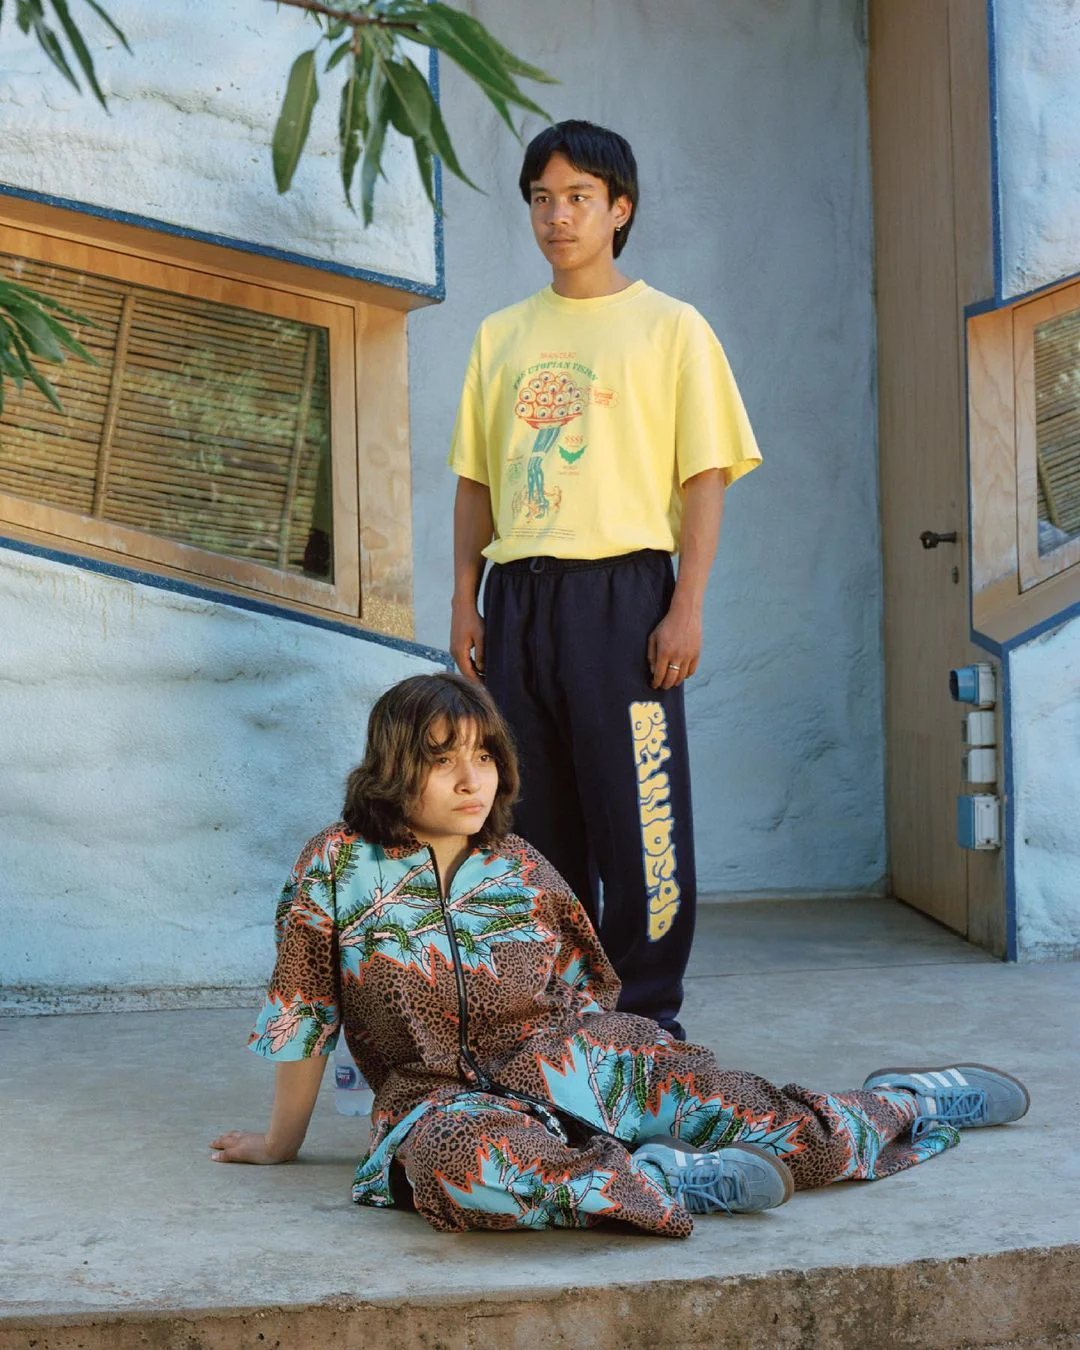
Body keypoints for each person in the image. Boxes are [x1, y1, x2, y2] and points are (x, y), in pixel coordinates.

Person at [210, 673, 1029, 1238]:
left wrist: (618, 1078)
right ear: (393, 767)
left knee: (781, 1133)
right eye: (442, 758)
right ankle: (671, 1179)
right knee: (461, 1173)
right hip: (438, 1100)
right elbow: (304, 1011)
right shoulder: (337, 867)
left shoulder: (519, 865)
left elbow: (586, 988)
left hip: (574, 1065)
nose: (471, 780)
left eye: (484, 755)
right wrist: (282, 1141)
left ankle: (908, 1102)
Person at [448, 119, 762, 1042]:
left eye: (579, 197)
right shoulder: (502, 335)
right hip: (520, 597)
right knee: (530, 819)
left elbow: (704, 474)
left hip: (624, 598)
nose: (558, 216)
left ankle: (646, 1019)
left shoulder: (671, 328)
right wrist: (465, 597)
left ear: (620, 209)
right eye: (541, 199)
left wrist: (686, 604)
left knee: (639, 819)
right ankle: (552, 1018)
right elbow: (476, 481)